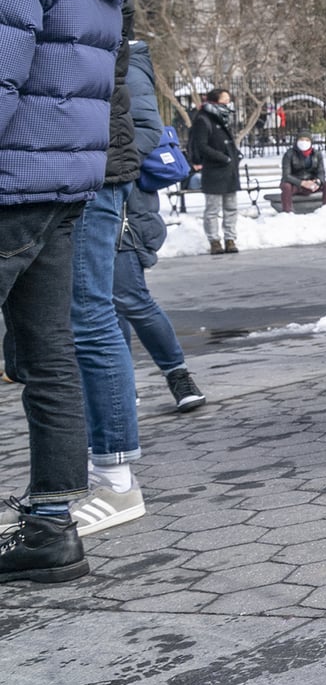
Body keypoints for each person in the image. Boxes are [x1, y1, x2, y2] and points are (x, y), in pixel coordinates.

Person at [0, 0, 156, 581]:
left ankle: (51, 524)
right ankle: (51, 523)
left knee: (56, 349)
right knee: (50, 353)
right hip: (64, 185)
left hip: (9, 185)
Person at [115, 34, 204, 411]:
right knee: (104, 305)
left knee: (129, 297)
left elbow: (149, 132)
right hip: (90, 195)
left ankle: (178, 375)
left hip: (121, 204)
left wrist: (89, 154)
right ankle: (118, 386)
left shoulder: (129, 63)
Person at [186, 89, 241, 254]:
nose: (228, 102)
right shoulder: (204, 119)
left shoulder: (222, 117)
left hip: (229, 170)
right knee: (213, 209)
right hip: (215, 170)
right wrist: (222, 157)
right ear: (215, 101)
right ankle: (214, 240)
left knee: (231, 207)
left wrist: (234, 157)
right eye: (225, 99)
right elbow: (201, 146)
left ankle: (230, 239)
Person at [280, 134, 326, 212]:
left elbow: (321, 172)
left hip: (312, 183)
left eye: (307, 140)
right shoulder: (289, 154)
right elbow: (286, 175)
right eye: (301, 139)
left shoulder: (317, 154)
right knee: (286, 186)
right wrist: (302, 183)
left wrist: (317, 181)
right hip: (295, 184)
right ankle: (287, 211)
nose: (304, 142)